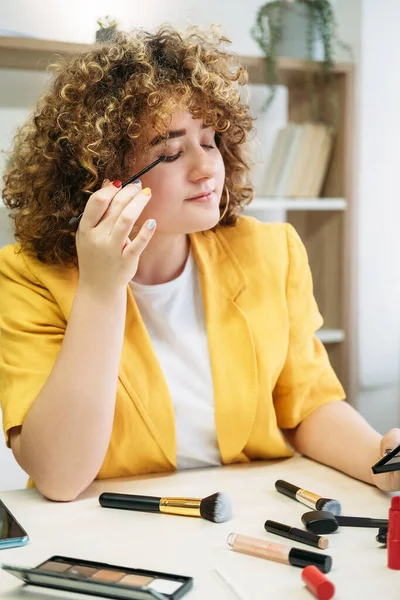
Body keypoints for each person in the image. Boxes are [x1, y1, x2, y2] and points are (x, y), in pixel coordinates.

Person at [0, 25, 399, 502]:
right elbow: (60, 476)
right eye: (170, 151)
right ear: (99, 176)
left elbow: (307, 408)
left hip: (246, 519)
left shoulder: (272, 252)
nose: (206, 166)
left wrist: (382, 465)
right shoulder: (26, 276)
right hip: (110, 535)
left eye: (209, 141)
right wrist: (101, 290)